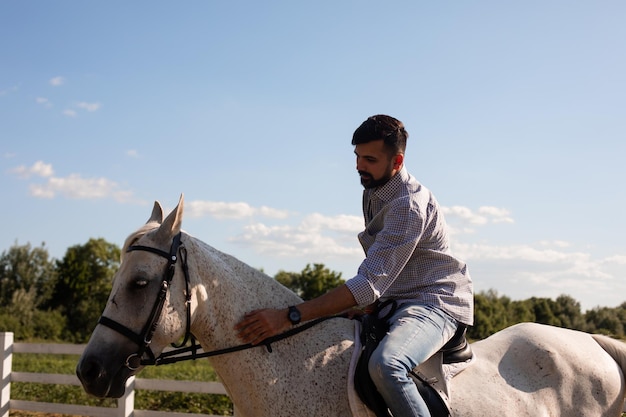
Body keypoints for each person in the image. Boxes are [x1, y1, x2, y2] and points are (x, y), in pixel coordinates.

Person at [235, 114, 474, 417]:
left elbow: (368, 283)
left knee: (387, 366)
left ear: (397, 161)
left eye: (370, 159)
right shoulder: (374, 190)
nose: (360, 166)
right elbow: (382, 273)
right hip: (395, 302)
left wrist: (290, 315)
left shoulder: (407, 205)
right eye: (358, 156)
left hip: (434, 303)